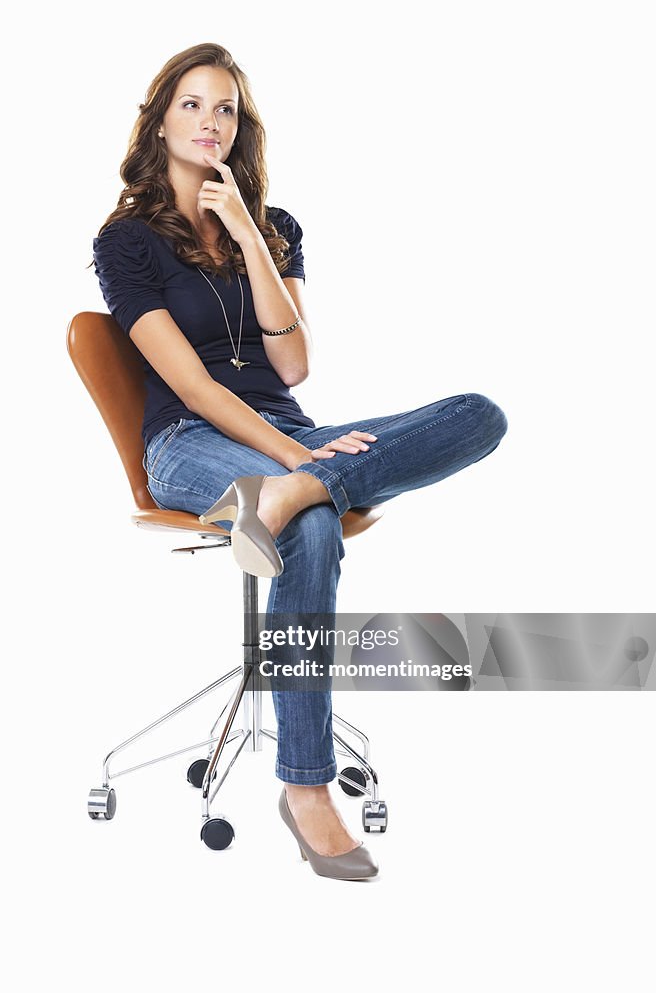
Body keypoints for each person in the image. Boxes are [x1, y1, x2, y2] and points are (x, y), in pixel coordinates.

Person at [91, 43, 508, 880]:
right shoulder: (126, 242)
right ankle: (307, 790)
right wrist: (293, 462)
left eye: (227, 110)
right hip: (190, 445)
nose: (211, 122)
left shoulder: (276, 227)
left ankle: (298, 495)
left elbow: (294, 369)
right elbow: (193, 388)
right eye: (193, 105)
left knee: (478, 415)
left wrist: (249, 233)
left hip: (289, 431)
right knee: (311, 520)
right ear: (160, 119)